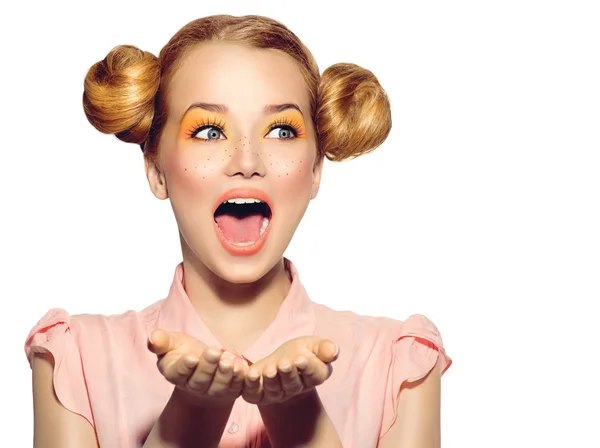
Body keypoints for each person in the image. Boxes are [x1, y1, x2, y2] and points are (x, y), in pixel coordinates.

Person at [25, 14, 451, 448]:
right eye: (209, 132)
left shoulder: (399, 367)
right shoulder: (73, 359)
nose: (247, 160)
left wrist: (298, 418)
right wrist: (189, 417)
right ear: (156, 170)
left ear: (317, 169)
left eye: (281, 130)